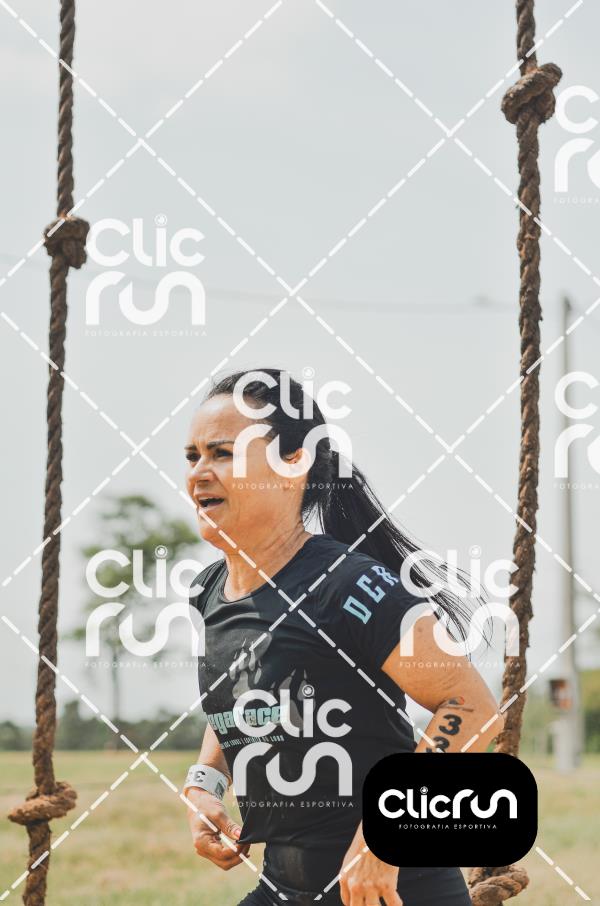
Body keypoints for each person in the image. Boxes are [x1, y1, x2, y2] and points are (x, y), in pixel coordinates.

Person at [184, 368, 504, 906]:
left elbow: (473, 708)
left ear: (293, 463)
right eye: (192, 456)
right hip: (283, 888)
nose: (199, 472)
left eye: (223, 454)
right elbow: (240, 694)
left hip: (397, 891)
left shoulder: (350, 585)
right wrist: (204, 783)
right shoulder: (208, 592)